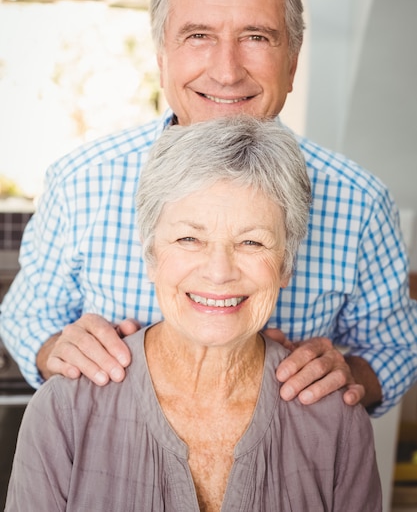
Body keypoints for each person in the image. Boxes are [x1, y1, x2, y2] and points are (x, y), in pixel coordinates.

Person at [0, 0, 415, 417]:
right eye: (199, 36)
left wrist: (353, 377)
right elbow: (27, 316)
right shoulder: (80, 180)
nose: (226, 70)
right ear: (161, 56)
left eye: (256, 37)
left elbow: (397, 347)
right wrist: (53, 349)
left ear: (293, 61)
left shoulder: (359, 202)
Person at [5, 116, 382, 512]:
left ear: (286, 265)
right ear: (151, 255)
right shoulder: (64, 409)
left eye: (252, 241)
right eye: (189, 238)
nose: (219, 272)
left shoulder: (337, 422)